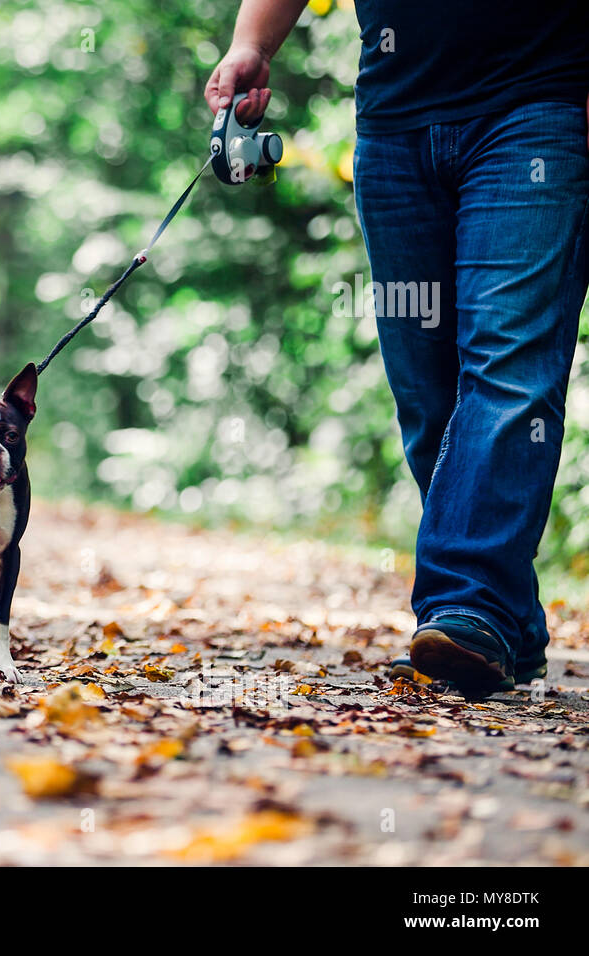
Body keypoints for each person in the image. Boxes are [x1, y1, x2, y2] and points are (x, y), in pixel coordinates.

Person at [205, 1, 589, 693]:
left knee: (507, 365)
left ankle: (466, 603)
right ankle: (507, 621)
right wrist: (251, 44)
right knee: (426, 388)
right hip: (394, 122)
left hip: (539, 108)